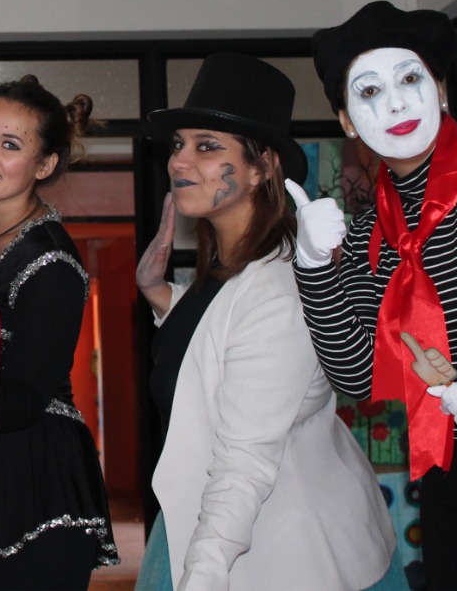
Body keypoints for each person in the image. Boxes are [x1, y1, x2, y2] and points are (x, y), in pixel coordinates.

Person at [290, 0, 457, 590]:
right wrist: (311, 265)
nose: (393, 103)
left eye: (409, 79)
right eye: (368, 91)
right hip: (451, 480)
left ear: (439, 90)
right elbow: (358, 376)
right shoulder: (369, 236)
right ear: (346, 121)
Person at [136, 53, 398, 590]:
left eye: (207, 146)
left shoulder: (278, 289)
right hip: (222, 527)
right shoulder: (233, 268)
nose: (180, 160)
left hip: (281, 553)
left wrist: (201, 578)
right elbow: (219, 341)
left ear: (262, 167)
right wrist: (162, 297)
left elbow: (245, 463)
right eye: (179, 144)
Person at [0, 76, 119, 589]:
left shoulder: (52, 261)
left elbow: (30, 393)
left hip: (34, 482)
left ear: (45, 165)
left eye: (10, 145)